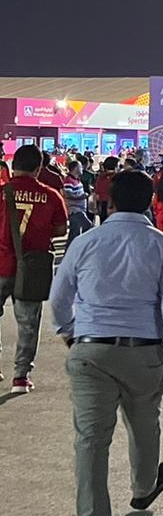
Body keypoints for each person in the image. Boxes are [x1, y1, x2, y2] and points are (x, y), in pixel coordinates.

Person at [50, 170, 163, 516]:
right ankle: (143, 488)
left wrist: (71, 333)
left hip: (91, 350)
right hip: (143, 350)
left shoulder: (86, 242)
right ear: (149, 203)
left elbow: (59, 298)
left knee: (91, 440)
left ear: (108, 202)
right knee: (144, 423)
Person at [1, 145, 68, 393]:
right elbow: (61, 229)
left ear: (13, 165)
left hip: (0, 263)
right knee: (28, 322)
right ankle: (20, 377)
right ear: (38, 168)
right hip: (32, 267)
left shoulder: (2, 192)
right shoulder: (50, 195)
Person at [62, 161, 93, 244]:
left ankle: (72, 248)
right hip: (74, 210)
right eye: (80, 167)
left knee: (75, 231)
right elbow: (67, 194)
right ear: (75, 168)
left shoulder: (76, 180)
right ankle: (82, 244)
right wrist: (81, 196)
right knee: (87, 225)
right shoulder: (68, 180)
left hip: (79, 209)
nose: (82, 168)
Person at [93, 156, 118, 223]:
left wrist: (96, 207)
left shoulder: (100, 178)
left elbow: (97, 195)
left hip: (103, 205)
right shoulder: (118, 177)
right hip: (115, 205)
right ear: (116, 166)